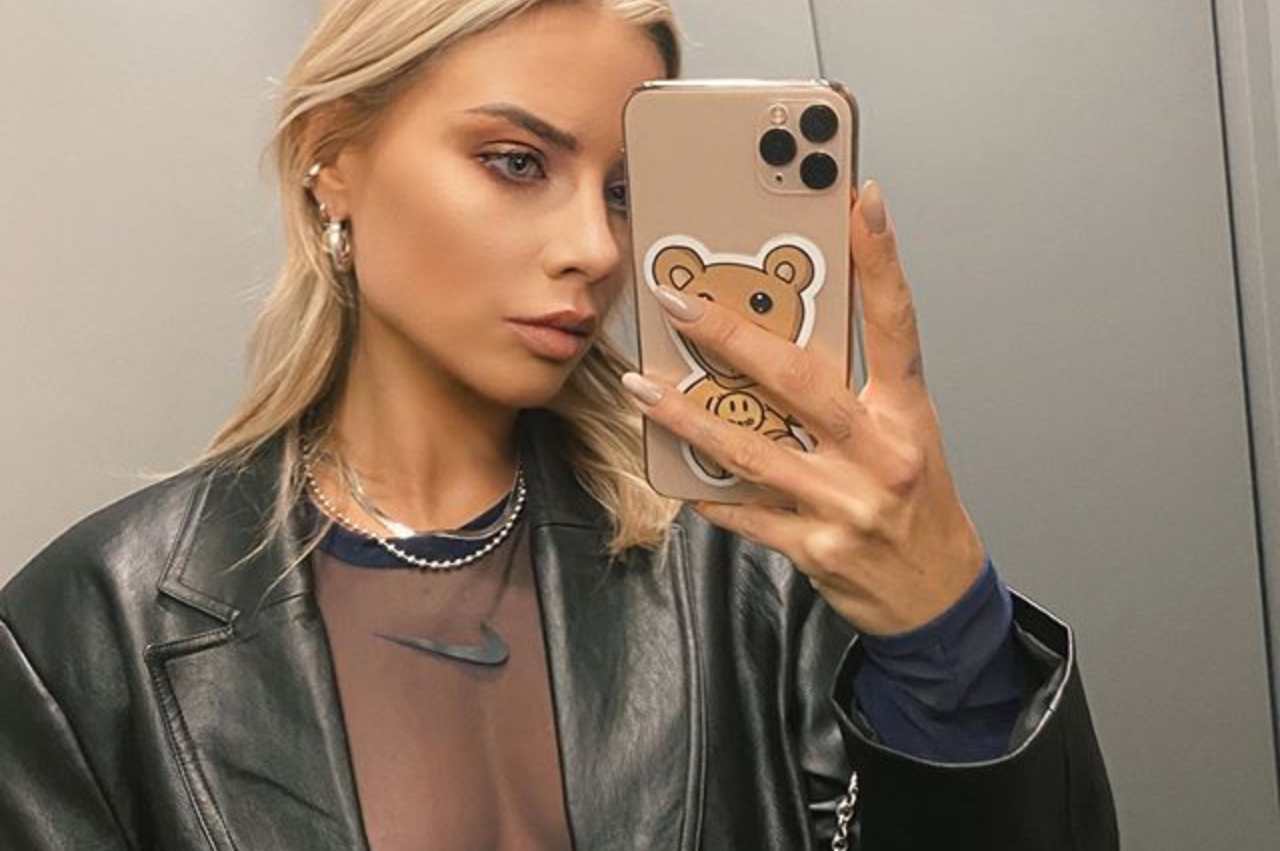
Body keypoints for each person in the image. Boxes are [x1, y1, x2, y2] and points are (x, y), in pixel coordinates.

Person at [0, 0, 1119, 848]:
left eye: (625, 190)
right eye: (516, 162)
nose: (594, 246)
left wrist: (946, 627)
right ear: (330, 159)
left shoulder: (756, 567)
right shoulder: (87, 628)